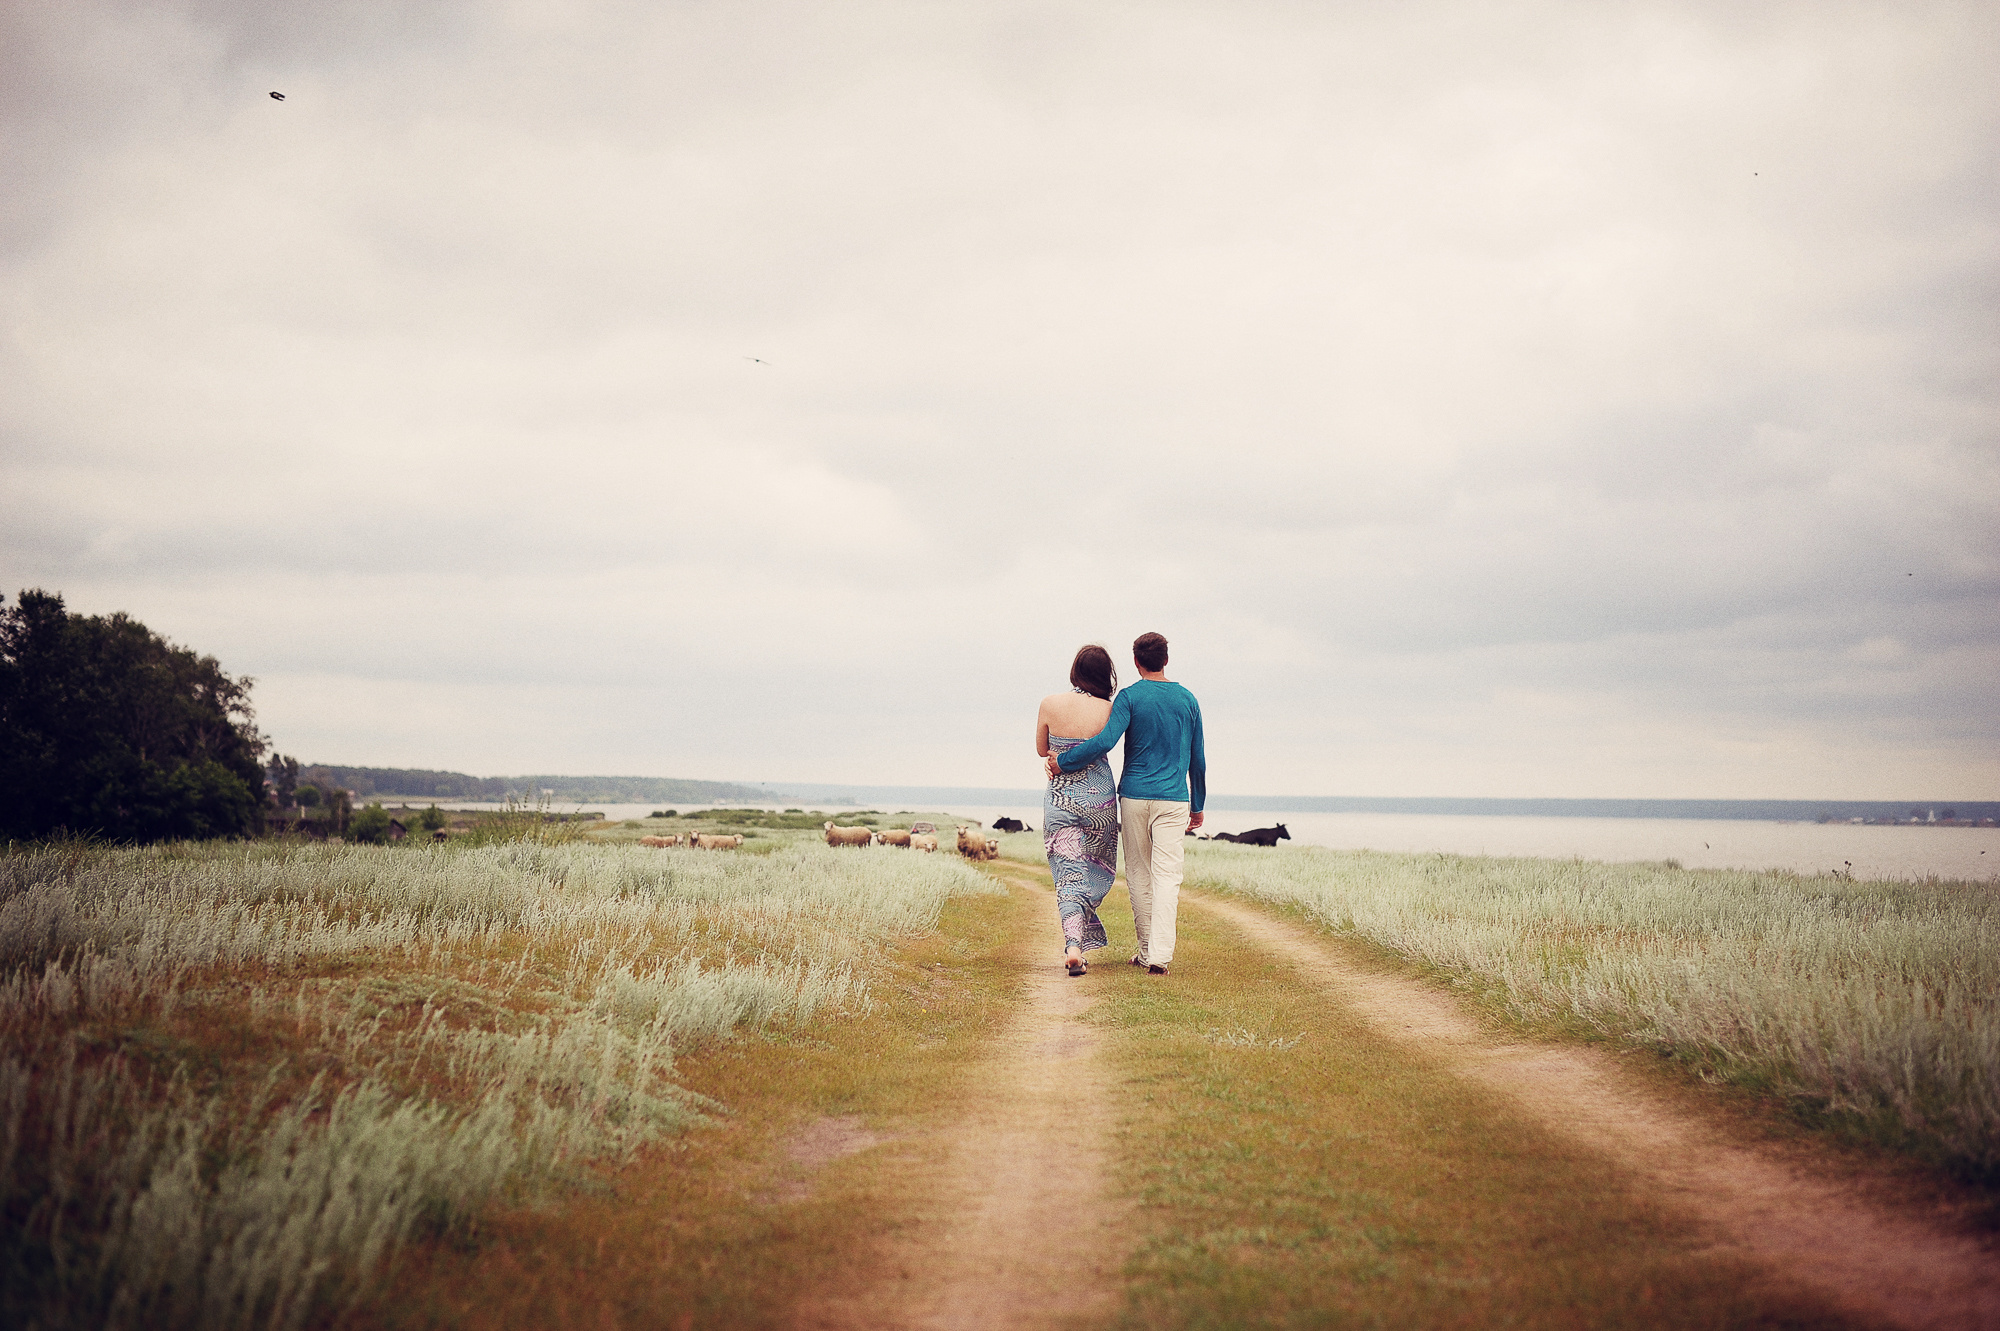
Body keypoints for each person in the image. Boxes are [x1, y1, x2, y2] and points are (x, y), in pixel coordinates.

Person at [1045, 632, 1204, 974]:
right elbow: (1198, 760)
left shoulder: (1129, 697)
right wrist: (1198, 805)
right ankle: (1158, 956)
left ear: (1136, 661)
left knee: (1139, 875)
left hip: (1134, 796)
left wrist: (1063, 762)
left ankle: (1147, 951)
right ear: (1166, 660)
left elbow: (1105, 740)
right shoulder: (1188, 700)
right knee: (1167, 877)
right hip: (1174, 800)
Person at [1036, 645, 1120, 976]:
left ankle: (1074, 946)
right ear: (1106, 675)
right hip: (1100, 802)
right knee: (1097, 870)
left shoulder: (1049, 703)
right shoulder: (1110, 709)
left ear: (1075, 671)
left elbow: (1042, 749)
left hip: (1060, 800)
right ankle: (1076, 946)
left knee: (1068, 874)